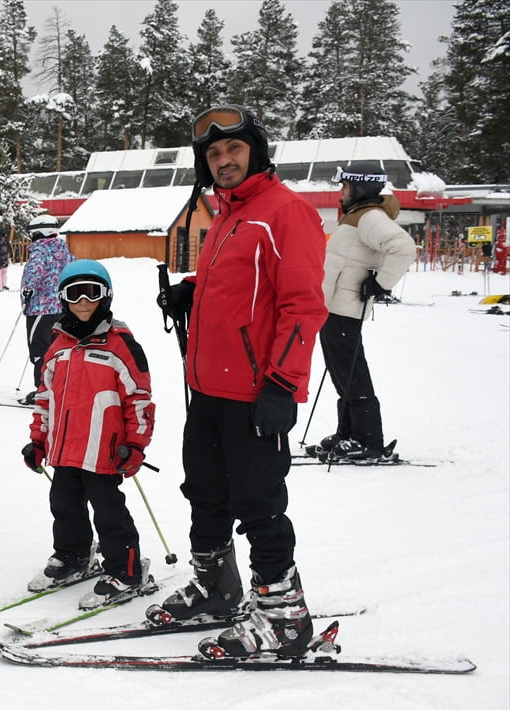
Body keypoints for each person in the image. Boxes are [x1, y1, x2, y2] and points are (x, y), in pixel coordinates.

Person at [151, 104, 327, 659]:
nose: (224, 159)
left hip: (254, 393)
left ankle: (284, 617)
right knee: (205, 493)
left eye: (234, 148)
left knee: (258, 504)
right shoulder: (227, 213)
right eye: (214, 153)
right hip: (208, 388)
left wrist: (282, 385)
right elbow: (239, 284)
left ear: (257, 151)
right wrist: (191, 290)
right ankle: (217, 587)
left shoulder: (286, 212)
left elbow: (302, 307)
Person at [21, 260, 155, 608]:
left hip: (104, 452)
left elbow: (139, 400)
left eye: (91, 293)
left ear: (105, 296)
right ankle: (73, 554)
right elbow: (45, 398)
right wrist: (38, 441)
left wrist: (135, 444)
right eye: (74, 293)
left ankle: (125, 570)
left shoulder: (121, 346)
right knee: (64, 505)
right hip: (64, 450)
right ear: (63, 299)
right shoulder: (57, 346)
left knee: (109, 512)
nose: (82, 302)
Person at [316, 161, 415, 462]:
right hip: (335, 307)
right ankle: (348, 433)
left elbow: (404, 247)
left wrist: (380, 283)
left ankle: (367, 439)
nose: (341, 192)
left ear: (359, 187)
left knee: (352, 373)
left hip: (345, 309)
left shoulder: (370, 216)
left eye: (345, 186)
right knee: (342, 373)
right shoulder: (359, 214)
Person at [20, 214, 73, 403]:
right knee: (58, 350)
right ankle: (58, 388)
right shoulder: (64, 251)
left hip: (40, 309)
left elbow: (33, 274)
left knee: (40, 351)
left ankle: (42, 392)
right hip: (62, 309)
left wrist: (27, 294)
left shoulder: (40, 251)